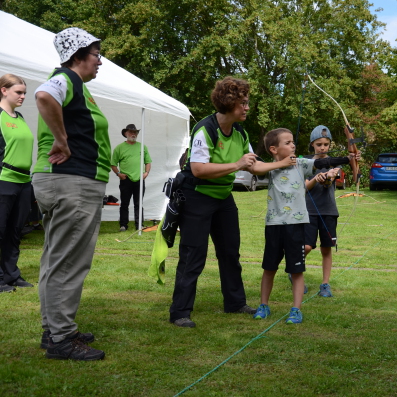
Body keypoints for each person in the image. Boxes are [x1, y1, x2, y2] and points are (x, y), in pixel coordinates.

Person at [33, 27, 110, 361]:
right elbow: (43, 95)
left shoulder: (71, 82)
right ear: (78, 55)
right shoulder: (66, 78)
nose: (100, 61)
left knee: (55, 259)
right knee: (69, 262)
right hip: (73, 181)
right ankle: (61, 337)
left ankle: (54, 329)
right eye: (96, 54)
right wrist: (62, 140)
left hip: (63, 181)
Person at [169, 76, 256, 328]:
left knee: (230, 252)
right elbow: (197, 169)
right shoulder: (205, 129)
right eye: (243, 103)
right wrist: (237, 165)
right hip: (196, 196)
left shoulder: (240, 131)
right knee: (193, 254)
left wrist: (284, 162)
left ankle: (235, 303)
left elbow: (254, 164)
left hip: (223, 197)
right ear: (229, 103)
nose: (247, 107)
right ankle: (180, 312)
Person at [249, 128, 358, 324]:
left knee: (297, 269)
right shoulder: (268, 167)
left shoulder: (300, 164)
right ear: (274, 149)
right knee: (269, 267)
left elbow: (322, 162)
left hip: (296, 224)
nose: (293, 145)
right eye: (288, 143)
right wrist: (281, 163)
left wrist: (347, 158)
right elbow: (254, 168)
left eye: (293, 141)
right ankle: (263, 305)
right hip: (274, 224)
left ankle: (295, 309)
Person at [0, 73, 35, 293]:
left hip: (23, 182)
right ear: (4, 90)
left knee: (15, 231)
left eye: (24, 93)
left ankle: (11, 275)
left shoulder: (20, 117)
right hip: (4, 181)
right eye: (18, 92)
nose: (23, 96)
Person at [304, 125, 345, 298]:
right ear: (312, 144)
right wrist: (316, 178)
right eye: (319, 144)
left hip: (328, 211)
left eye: (326, 144)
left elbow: (334, 180)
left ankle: (325, 284)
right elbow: (304, 187)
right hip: (308, 211)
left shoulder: (335, 164)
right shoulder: (305, 163)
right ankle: (295, 271)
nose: (322, 147)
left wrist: (329, 177)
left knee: (327, 248)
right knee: (306, 247)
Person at [110, 124, 152, 231]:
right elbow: (113, 163)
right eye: (131, 132)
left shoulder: (142, 147)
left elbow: (148, 162)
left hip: (139, 179)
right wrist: (118, 174)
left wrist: (146, 173)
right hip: (126, 179)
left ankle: (139, 225)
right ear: (126, 133)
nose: (133, 134)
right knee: (125, 203)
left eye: (135, 132)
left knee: (139, 203)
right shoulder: (119, 148)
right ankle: (123, 225)